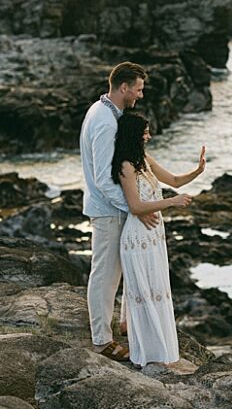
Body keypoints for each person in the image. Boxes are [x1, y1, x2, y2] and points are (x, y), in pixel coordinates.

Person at [112, 112, 205, 366]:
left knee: (158, 290)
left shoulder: (143, 159)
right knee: (146, 292)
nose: (149, 136)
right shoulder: (125, 165)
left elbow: (173, 180)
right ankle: (149, 353)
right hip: (137, 238)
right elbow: (135, 206)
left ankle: (160, 351)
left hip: (154, 236)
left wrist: (197, 171)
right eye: (145, 132)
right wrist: (172, 202)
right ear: (134, 134)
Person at [80, 61, 158, 362]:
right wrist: (135, 208)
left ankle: (122, 325)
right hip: (107, 210)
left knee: (118, 272)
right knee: (105, 276)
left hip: (113, 209)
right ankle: (101, 341)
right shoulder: (104, 120)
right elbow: (102, 177)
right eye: (137, 89)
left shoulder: (106, 112)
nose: (140, 95)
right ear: (124, 87)